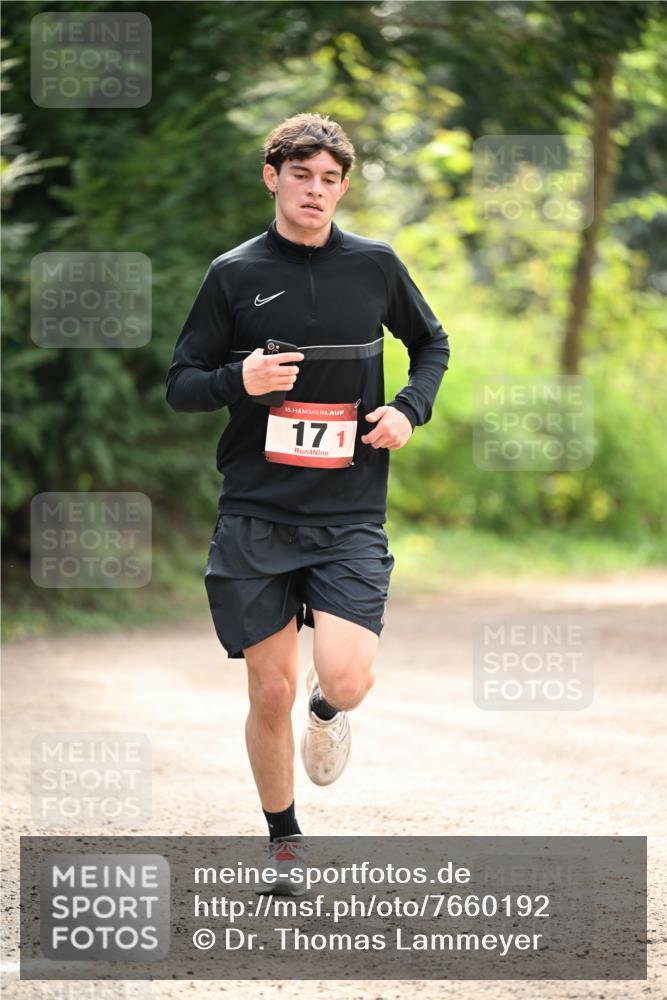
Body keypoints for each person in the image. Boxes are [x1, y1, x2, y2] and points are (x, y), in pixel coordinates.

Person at [165, 112, 450, 893]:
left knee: (346, 680)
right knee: (269, 688)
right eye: (301, 176)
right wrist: (237, 381)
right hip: (256, 509)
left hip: (349, 510)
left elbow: (431, 343)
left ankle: (330, 714)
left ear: (343, 187)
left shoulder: (374, 266)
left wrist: (407, 408)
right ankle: (284, 845)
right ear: (273, 176)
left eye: (329, 179)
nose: (315, 191)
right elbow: (181, 384)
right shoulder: (233, 275)